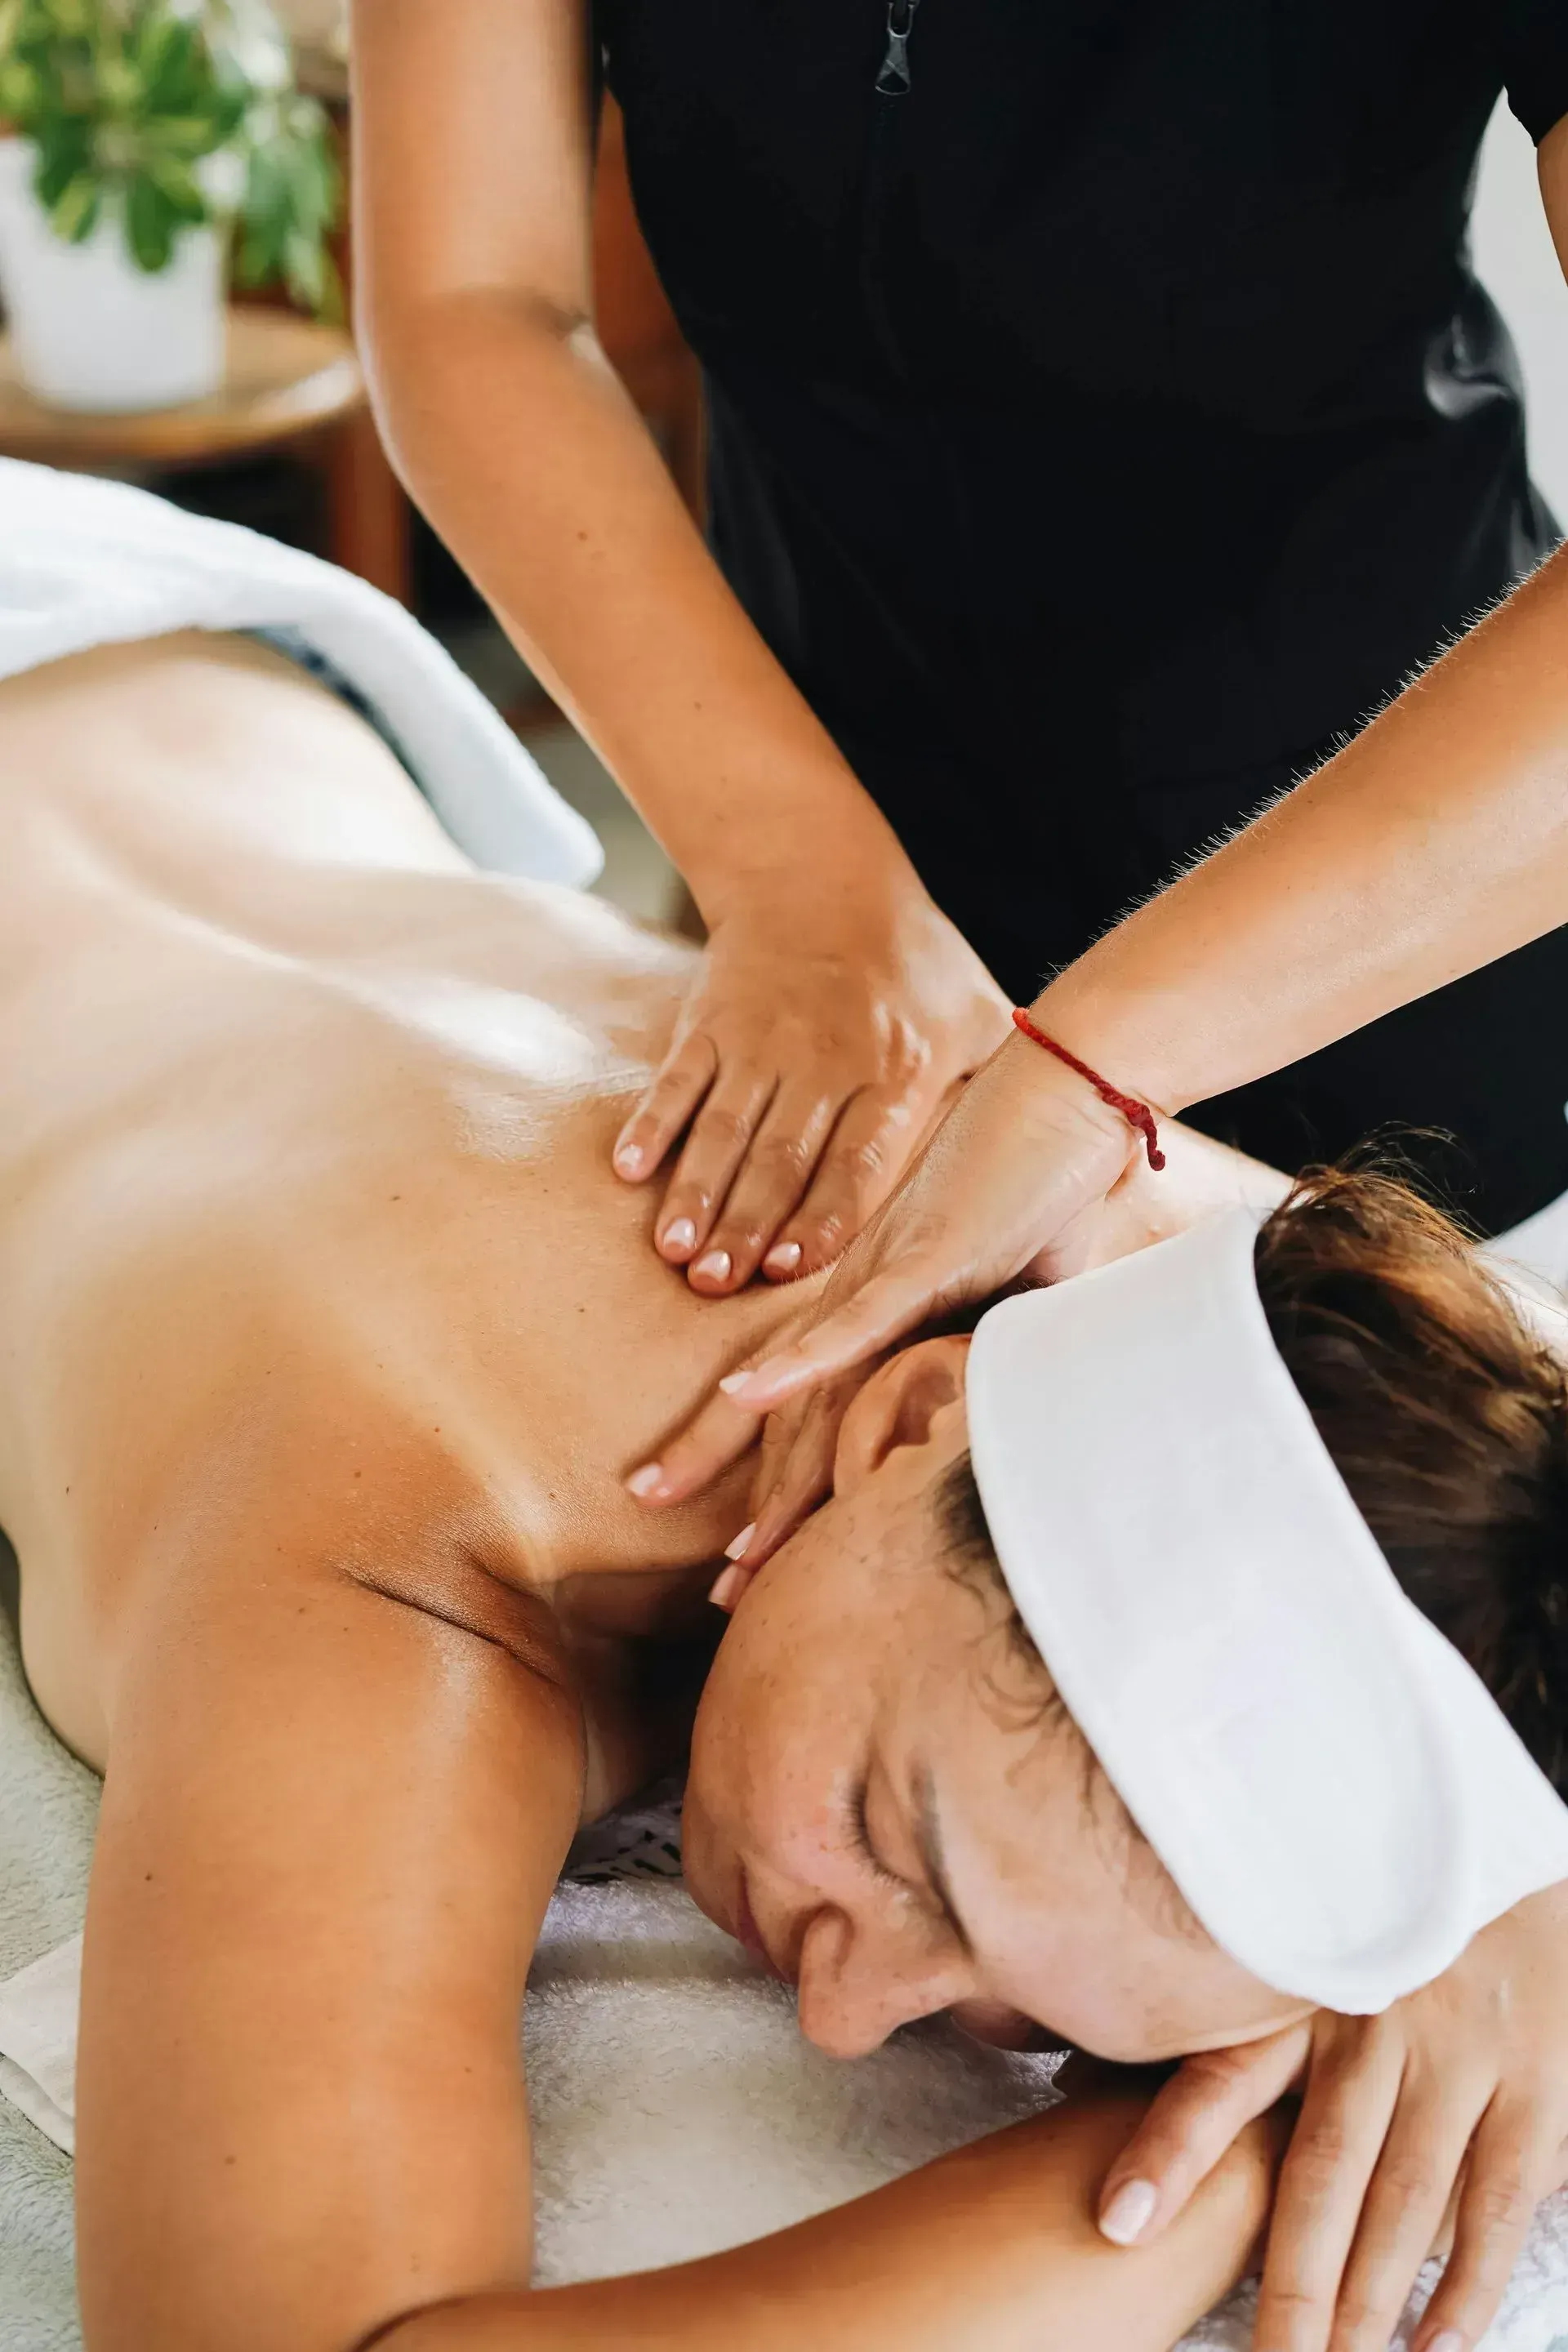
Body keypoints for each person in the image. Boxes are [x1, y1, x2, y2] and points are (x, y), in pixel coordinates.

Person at [3, 614, 1567, 2352]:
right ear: (907, 1426)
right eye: (903, 1845)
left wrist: (1524, 1910)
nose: (845, 2012)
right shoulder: (408, 1548)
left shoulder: (1120, 1258)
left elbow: (1503, 1441)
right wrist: (1195, 2181)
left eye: (1014, 2020)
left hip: (227, 708)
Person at [354, 3, 1568, 1293]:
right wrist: (796, 873)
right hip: (829, 878)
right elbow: (475, 299)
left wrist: (1095, 1065)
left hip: (1399, 944)